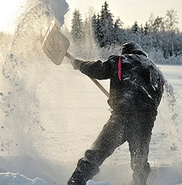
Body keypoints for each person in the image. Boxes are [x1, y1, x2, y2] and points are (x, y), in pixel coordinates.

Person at [68, 41, 164, 185]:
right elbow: (154, 101)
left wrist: (79, 64)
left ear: (126, 52)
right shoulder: (156, 72)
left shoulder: (122, 60)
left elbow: (98, 69)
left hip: (122, 119)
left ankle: (75, 182)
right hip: (145, 124)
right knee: (139, 164)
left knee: (94, 156)